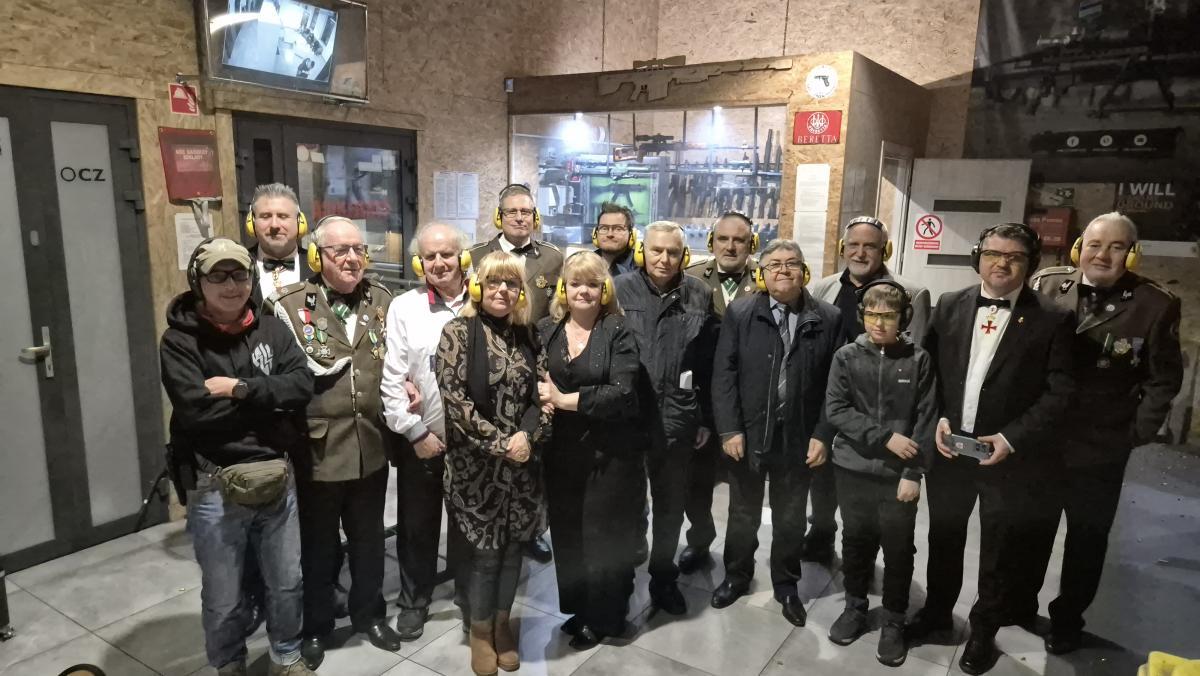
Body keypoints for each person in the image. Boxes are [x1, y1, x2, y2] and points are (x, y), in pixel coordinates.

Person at [909, 223, 1075, 675]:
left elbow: (1060, 392)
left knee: (999, 549)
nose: (1001, 263)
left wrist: (1010, 438)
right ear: (978, 258)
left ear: (1030, 264)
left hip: (1006, 457)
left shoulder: (1053, 318)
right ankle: (937, 612)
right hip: (950, 450)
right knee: (944, 536)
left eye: (1014, 256)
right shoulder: (950, 304)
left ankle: (984, 630)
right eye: (993, 254)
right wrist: (938, 418)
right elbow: (929, 371)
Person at [160, 238, 316, 676]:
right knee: (224, 594)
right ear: (198, 282)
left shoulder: (272, 329)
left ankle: (286, 655)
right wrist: (270, 403)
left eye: (239, 275)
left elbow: (302, 385)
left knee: (287, 582)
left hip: (277, 476)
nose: (231, 285)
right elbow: (197, 414)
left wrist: (240, 389)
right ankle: (229, 663)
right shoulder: (179, 341)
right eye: (218, 276)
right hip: (214, 484)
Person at [1031, 212, 1183, 654]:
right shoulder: (1046, 286)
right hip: (1040, 441)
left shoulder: (1154, 304)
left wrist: (1136, 432)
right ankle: (1017, 602)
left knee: (1087, 539)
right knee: (1029, 530)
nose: (1103, 255)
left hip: (1101, 448)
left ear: (1132, 255)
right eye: (1095, 245)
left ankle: (1067, 621)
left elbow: (1163, 379)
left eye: (1117, 247)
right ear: (1079, 248)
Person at [266, 217, 403, 668]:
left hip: (371, 445)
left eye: (358, 249)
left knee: (369, 541)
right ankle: (316, 626)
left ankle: (370, 615)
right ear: (316, 256)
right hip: (319, 450)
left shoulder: (382, 299)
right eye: (339, 250)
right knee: (319, 547)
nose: (351, 258)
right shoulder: (289, 305)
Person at [709, 239, 839, 627]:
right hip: (748, 433)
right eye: (774, 265)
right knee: (742, 512)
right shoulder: (741, 312)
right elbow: (724, 373)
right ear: (761, 274)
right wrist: (730, 429)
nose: (783, 270)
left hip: (799, 437)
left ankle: (786, 585)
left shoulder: (828, 317)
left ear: (804, 271)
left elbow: (836, 385)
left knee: (790, 517)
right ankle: (736, 576)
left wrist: (823, 434)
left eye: (791, 263)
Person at [435, 251, 552, 676]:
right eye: (495, 282)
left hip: (522, 467)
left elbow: (543, 395)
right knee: (486, 556)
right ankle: (481, 633)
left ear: (521, 291)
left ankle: (504, 625)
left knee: (513, 551)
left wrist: (527, 437)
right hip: (477, 470)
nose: (503, 290)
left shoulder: (529, 334)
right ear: (478, 286)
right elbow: (456, 403)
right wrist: (503, 443)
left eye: (512, 283)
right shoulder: (457, 333)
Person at [805, 215, 932, 564]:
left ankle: (865, 558)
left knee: (872, 508)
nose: (860, 253)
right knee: (822, 481)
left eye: (870, 246)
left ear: (884, 250)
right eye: (854, 245)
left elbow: (914, 361)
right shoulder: (823, 288)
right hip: (833, 404)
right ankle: (821, 537)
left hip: (883, 414)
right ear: (842, 248)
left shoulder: (911, 293)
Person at [824, 280, 937, 666]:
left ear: (903, 318)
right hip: (852, 468)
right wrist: (885, 437)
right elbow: (836, 409)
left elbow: (926, 417)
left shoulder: (918, 359)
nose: (878, 323)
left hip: (897, 476)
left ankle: (893, 620)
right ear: (862, 315)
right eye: (872, 314)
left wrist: (913, 472)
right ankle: (855, 606)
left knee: (898, 548)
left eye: (888, 316)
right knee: (855, 541)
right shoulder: (846, 357)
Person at [536, 252, 643, 650]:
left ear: (605, 290)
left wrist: (563, 400)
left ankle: (605, 617)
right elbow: (533, 377)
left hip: (608, 455)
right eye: (576, 283)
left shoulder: (618, 330)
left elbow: (623, 392)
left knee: (603, 538)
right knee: (568, 536)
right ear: (563, 288)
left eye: (592, 284)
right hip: (560, 455)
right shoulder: (546, 329)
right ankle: (580, 609)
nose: (583, 291)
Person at [614, 221, 719, 615]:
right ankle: (621, 580)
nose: (664, 259)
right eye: (656, 250)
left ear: (684, 255)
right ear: (643, 251)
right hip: (628, 417)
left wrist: (704, 417)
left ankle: (663, 578)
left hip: (678, 416)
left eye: (673, 252)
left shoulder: (699, 293)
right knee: (625, 505)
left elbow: (707, 362)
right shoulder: (619, 289)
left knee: (670, 506)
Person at [380, 222, 473, 640]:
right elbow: (392, 379)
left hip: (473, 441)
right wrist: (415, 432)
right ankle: (414, 602)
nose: (438, 263)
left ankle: (470, 597)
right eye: (429, 256)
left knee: (468, 526)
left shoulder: (483, 299)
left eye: (446, 254)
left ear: (463, 257)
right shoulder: (405, 307)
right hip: (423, 438)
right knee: (417, 527)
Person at [469, 183, 563, 563]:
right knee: (493, 448)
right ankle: (490, 521)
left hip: (533, 361)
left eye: (527, 212)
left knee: (532, 452)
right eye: (512, 211)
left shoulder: (552, 258)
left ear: (535, 217)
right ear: (499, 216)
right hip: (488, 361)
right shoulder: (476, 255)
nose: (520, 218)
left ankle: (531, 530)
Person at [677, 211, 762, 574]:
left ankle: (739, 562)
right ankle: (700, 540)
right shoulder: (691, 279)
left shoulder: (765, 279)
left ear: (751, 244)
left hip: (747, 401)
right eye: (723, 239)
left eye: (739, 240)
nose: (730, 246)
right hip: (702, 399)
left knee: (745, 490)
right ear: (712, 242)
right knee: (695, 485)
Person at [245, 183, 314, 308]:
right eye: (265, 216)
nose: (274, 225)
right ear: (251, 223)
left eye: (283, 216)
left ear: (300, 222)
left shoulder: (317, 268)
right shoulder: (240, 266)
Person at [593, 202, 639, 277]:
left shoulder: (642, 268)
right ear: (595, 233)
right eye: (604, 228)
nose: (610, 234)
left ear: (632, 234)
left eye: (618, 229)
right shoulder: (583, 262)